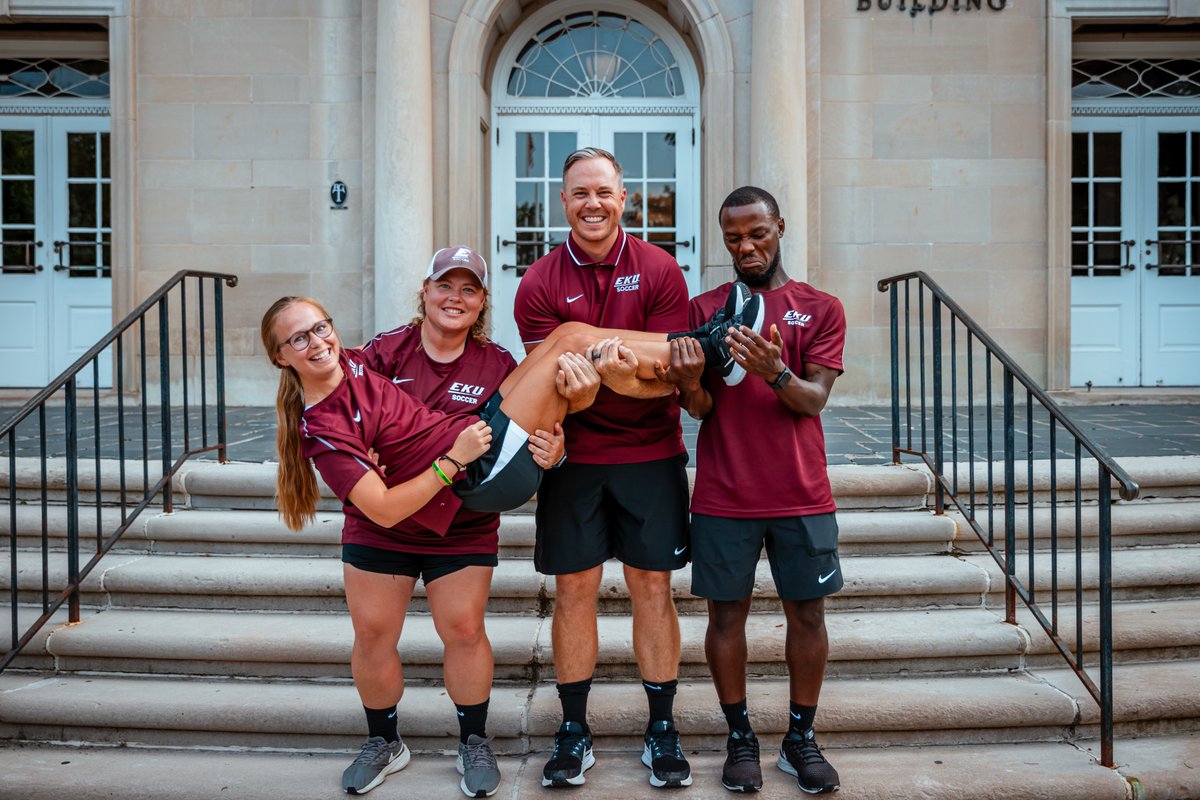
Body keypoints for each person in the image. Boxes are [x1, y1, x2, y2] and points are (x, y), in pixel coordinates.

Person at [263, 283, 754, 796]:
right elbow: (382, 508)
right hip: (462, 470)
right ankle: (384, 741)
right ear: (281, 357)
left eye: (321, 327)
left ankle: (709, 347)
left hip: (482, 469)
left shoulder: (360, 361)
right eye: (300, 339)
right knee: (373, 636)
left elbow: (555, 401)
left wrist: (556, 434)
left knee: (569, 338)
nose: (318, 342)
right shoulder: (322, 424)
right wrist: (452, 459)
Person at [340, 245, 577, 798]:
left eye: (468, 289)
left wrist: (552, 451)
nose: (455, 297)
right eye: (445, 285)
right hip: (383, 517)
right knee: (374, 634)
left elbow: (529, 437)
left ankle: (473, 739)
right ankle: (384, 741)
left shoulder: (500, 366)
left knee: (465, 631)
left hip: (460, 522)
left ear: (482, 304)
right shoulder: (382, 353)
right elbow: (343, 408)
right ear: (424, 292)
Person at [513, 146, 697, 790]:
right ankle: (573, 731)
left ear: (624, 199)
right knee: (574, 593)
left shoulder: (660, 269)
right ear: (563, 202)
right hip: (573, 460)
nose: (593, 203)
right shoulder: (537, 282)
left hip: (651, 456)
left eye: (604, 192)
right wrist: (607, 378)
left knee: (654, 590)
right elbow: (558, 389)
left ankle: (662, 729)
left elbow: (672, 379)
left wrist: (610, 370)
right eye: (580, 193)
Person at [663, 186, 846, 795]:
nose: (745, 247)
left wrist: (775, 370)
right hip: (724, 494)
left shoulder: (819, 307)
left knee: (809, 615)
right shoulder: (705, 307)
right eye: (733, 237)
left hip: (801, 492)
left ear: (780, 228)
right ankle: (739, 735)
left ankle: (801, 738)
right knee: (725, 617)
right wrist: (690, 383)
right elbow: (702, 407)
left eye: (757, 234)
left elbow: (812, 401)